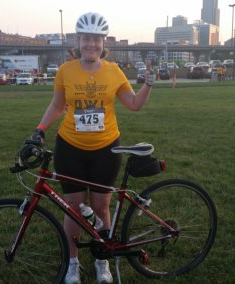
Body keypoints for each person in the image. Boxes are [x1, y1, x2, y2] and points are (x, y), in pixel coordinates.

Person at [29, 12, 154, 284]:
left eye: (96, 40)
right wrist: (40, 130)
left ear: (103, 42)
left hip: (105, 149)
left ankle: (102, 260)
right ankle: (72, 262)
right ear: (78, 40)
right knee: (73, 208)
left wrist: (148, 84)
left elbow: (134, 104)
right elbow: (57, 105)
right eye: (86, 38)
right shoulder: (66, 70)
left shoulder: (113, 71)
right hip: (70, 147)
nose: (91, 45)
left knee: (101, 206)